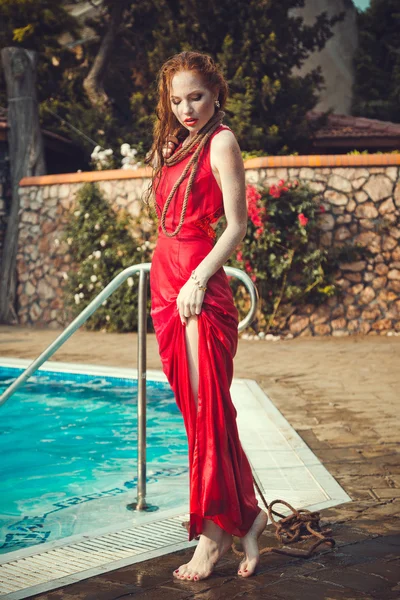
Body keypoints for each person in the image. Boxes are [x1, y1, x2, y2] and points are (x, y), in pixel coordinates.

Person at [146, 51, 268, 582]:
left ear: (216, 91)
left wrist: (197, 279)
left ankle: (215, 535)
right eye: (176, 99)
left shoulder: (222, 141)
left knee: (209, 409)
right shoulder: (175, 143)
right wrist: (175, 278)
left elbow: (236, 226)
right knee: (198, 415)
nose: (186, 108)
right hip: (165, 283)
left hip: (198, 287)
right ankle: (245, 515)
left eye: (195, 96)